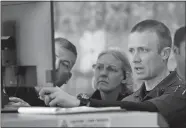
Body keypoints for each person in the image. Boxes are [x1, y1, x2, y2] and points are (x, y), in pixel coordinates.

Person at [39, 20, 186, 128]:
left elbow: (150, 110)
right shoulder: (131, 99)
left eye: (143, 50)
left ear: (165, 53)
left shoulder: (181, 90)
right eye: (132, 51)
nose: (135, 59)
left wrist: (80, 103)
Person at [6, 37, 77, 106]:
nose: (56, 67)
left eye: (64, 64)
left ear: (68, 78)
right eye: (52, 57)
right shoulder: (10, 85)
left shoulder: (64, 105)